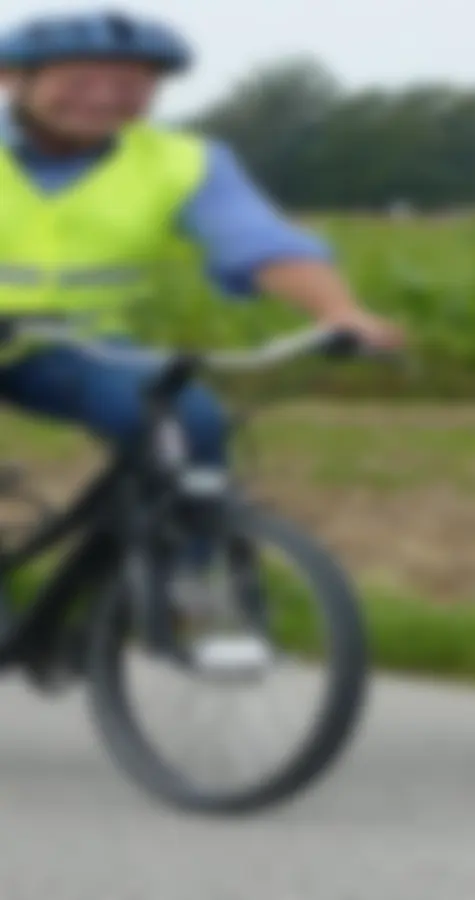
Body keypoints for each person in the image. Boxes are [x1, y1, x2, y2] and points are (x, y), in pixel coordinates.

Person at [0, 9, 405, 683]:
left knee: (192, 419)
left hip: (72, 350)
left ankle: (191, 595)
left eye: (129, 82)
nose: (105, 96)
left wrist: (340, 313)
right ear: (15, 78)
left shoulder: (176, 162)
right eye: (81, 78)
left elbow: (262, 242)